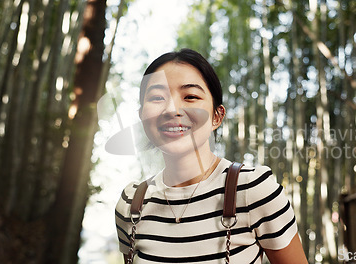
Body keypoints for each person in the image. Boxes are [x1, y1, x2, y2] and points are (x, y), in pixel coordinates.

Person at [115, 48, 308, 263]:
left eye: (190, 96)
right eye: (157, 97)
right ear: (142, 115)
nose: (172, 109)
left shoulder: (253, 190)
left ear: (217, 116)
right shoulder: (132, 203)